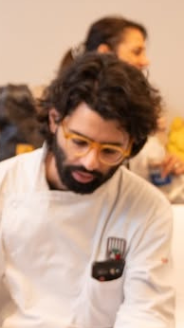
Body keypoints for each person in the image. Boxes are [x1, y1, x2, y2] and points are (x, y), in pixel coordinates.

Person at [0, 52, 174, 328]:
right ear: (54, 120)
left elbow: (147, 313)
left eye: (111, 150)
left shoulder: (148, 207)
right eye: (79, 142)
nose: (91, 161)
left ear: (131, 146)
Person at [63, 16, 184, 197]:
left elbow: (147, 173)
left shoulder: (140, 111)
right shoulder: (72, 105)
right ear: (105, 52)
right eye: (136, 52)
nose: (145, 61)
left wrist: (167, 165)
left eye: (110, 150)